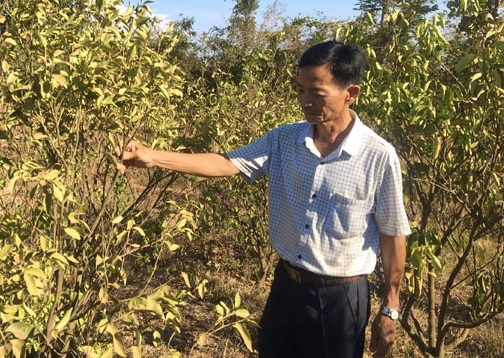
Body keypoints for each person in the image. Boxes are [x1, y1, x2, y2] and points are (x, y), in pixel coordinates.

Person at [119, 40, 411, 358]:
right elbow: (226, 163)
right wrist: (152, 157)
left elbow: (393, 233)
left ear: (350, 93)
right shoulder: (284, 138)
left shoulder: (378, 155)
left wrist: (390, 306)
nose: (305, 101)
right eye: (300, 90)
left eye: (317, 93)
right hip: (286, 284)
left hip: (340, 298)